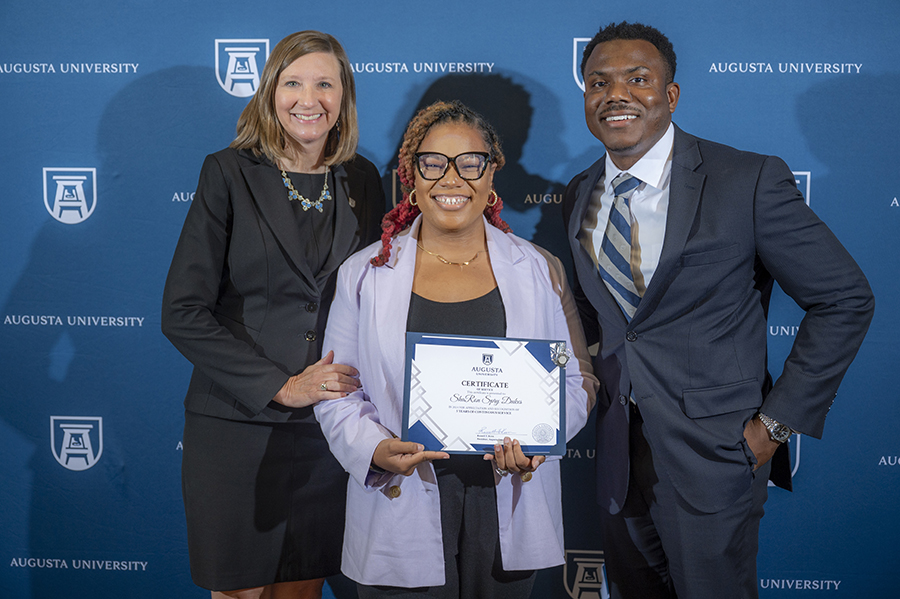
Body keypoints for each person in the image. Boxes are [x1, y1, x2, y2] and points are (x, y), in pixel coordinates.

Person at [562, 21, 874, 599]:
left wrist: (774, 426)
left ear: (671, 94)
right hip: (616, 460)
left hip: (717, 455)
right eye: (599, 83)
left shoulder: (746, 180)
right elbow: (593, 322)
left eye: (637, 79)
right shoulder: (580, 193)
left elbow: (844, 298)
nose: (616, 95)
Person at [314, 100, 598, 598]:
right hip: (401, 494)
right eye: (433, 163)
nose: (452, 178)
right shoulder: (364, 274)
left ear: (491, 176)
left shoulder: (539, 268)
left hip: (508, 496)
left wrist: (539, 440)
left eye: (470, 163)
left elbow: (576, 380)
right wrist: (373, 449)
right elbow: (338, 388)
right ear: (411, 177)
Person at [161, 31, 385, 599]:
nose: (309, 99)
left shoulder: (362, 178)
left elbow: (377, 297)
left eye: (324, 84)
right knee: (240, 592)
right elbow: (182, 312)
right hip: (238, 426)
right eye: (292, 83)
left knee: (303, 588)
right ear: (270, 93)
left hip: (329, 426)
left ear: (343, 96)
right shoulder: (228, 172)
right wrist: (280, 387)